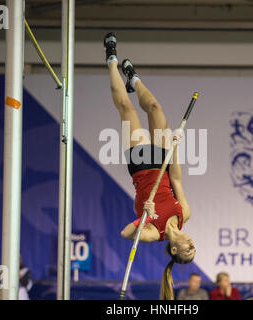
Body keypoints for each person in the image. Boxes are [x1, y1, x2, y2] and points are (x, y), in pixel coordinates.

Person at [104, 32, 196, 300]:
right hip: (163, 163)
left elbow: (126, 233)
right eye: (194, 247)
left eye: (189, 249)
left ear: (175, 251)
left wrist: (144, 214)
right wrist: (175, 147)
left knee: (126, 109)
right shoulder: (184, 214)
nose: (192, 243)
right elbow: (176, 180)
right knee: (154, 108)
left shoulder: (152, 233)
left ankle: (111, 58)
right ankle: (133, 78)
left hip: (142, 168)